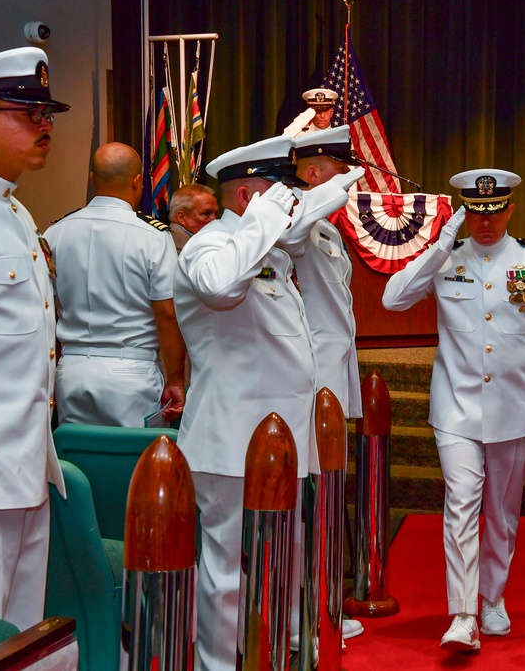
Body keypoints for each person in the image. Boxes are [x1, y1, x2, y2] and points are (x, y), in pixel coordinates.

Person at [173, 133, 361, 669]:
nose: (291, 199)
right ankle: (216, 663)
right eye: (279, 190)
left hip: (283, 442)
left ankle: (286, 648)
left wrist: (320, 197)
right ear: (245, 200)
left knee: (287, 557)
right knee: (226, 569)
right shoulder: (211, 245)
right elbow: (221, 287)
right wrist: (265, 217)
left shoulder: (270, 253)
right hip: (229, 442)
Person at [383, 170, 525, 653]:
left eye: (494, 211)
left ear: (510, 209)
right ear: (464, 213)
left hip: (515, 407)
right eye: (474, 213)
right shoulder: (448, 261)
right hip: (456, 406)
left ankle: (493, 598)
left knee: (504, 512)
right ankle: (463, 613)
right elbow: (393, 298)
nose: (484, 223)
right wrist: (439, 248)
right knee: (461, 505)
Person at [0, 46, 68, 628]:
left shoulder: (15, 214)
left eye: (47, 114)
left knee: (24, 637)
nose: (44, 126)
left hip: (28, 463)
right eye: (26, 111)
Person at [45, 142, 185, 427]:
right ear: (138, 182)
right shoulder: (153, 237)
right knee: (135, 465)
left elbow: (46, 311)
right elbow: (167, 315)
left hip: (70, 369)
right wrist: (176, 379)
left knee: (79, 459)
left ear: (93, 179)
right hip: (131, 372)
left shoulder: (55, 233)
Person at [288, 125, 365, 643]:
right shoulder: (294, 216)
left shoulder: (330, 230)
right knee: (308, 502)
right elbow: (291, 234)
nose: (349, 185)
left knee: (325, 498)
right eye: (340, 174)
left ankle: (320, 604)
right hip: (309, 378)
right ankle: (302, 616)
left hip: (334, 376)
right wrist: (327, 194)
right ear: (314, 174)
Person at [168, 183, 218, 253]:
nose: (214, 219)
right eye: (206, 214)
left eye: (215, 214)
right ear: (181, 217)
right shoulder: (174, 249)